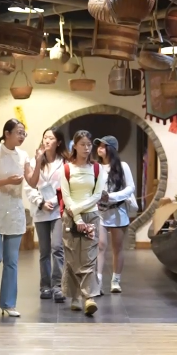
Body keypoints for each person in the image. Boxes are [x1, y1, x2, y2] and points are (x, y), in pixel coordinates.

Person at [0, 118, 44, 317]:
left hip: (14, 212)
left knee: (11, 261)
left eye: (24, 133)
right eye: (18, 132)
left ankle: (8, 304)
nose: (22, 136)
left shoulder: (23, 156)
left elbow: (32, 182)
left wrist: (39, 161)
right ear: (7, 134)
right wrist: (6, 181)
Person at [59, 130, 107, 316]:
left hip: (91, 216)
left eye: (89, 145)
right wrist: (77, 218)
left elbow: (97, 195)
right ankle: (75, 296)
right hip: (71, 217)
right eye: (82, 144)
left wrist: (78, 212)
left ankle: (89, 297)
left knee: (89, 256)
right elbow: (66, 196)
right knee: (72, 257)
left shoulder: (97, 169)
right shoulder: (66, 169)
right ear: (75, 146)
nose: (86, 148)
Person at [23, 128, 68, 302]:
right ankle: (45, 286)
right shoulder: (34, 161)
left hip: (57, 211)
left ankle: (58, 286)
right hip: (40, 210)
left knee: (57, 247)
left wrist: (54, 202)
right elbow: (29, 186)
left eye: (51, 138)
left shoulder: (64, 162)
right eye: (45, 137)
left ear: (59, 142)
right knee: (44, 250)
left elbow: (67, 186)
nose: (47, 141)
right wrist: (41, 202)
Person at [94, 135, 136, 295]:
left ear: (111, 148)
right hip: (100, 211)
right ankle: (97, 282)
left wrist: (112, 197)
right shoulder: (96, 167)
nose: (99, 149)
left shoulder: (122, 166)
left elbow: (130, 187)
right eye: (98, 146)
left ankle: (116, 280)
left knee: (117, 247)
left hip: (118, 211)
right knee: (100, 245)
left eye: (103, 146)